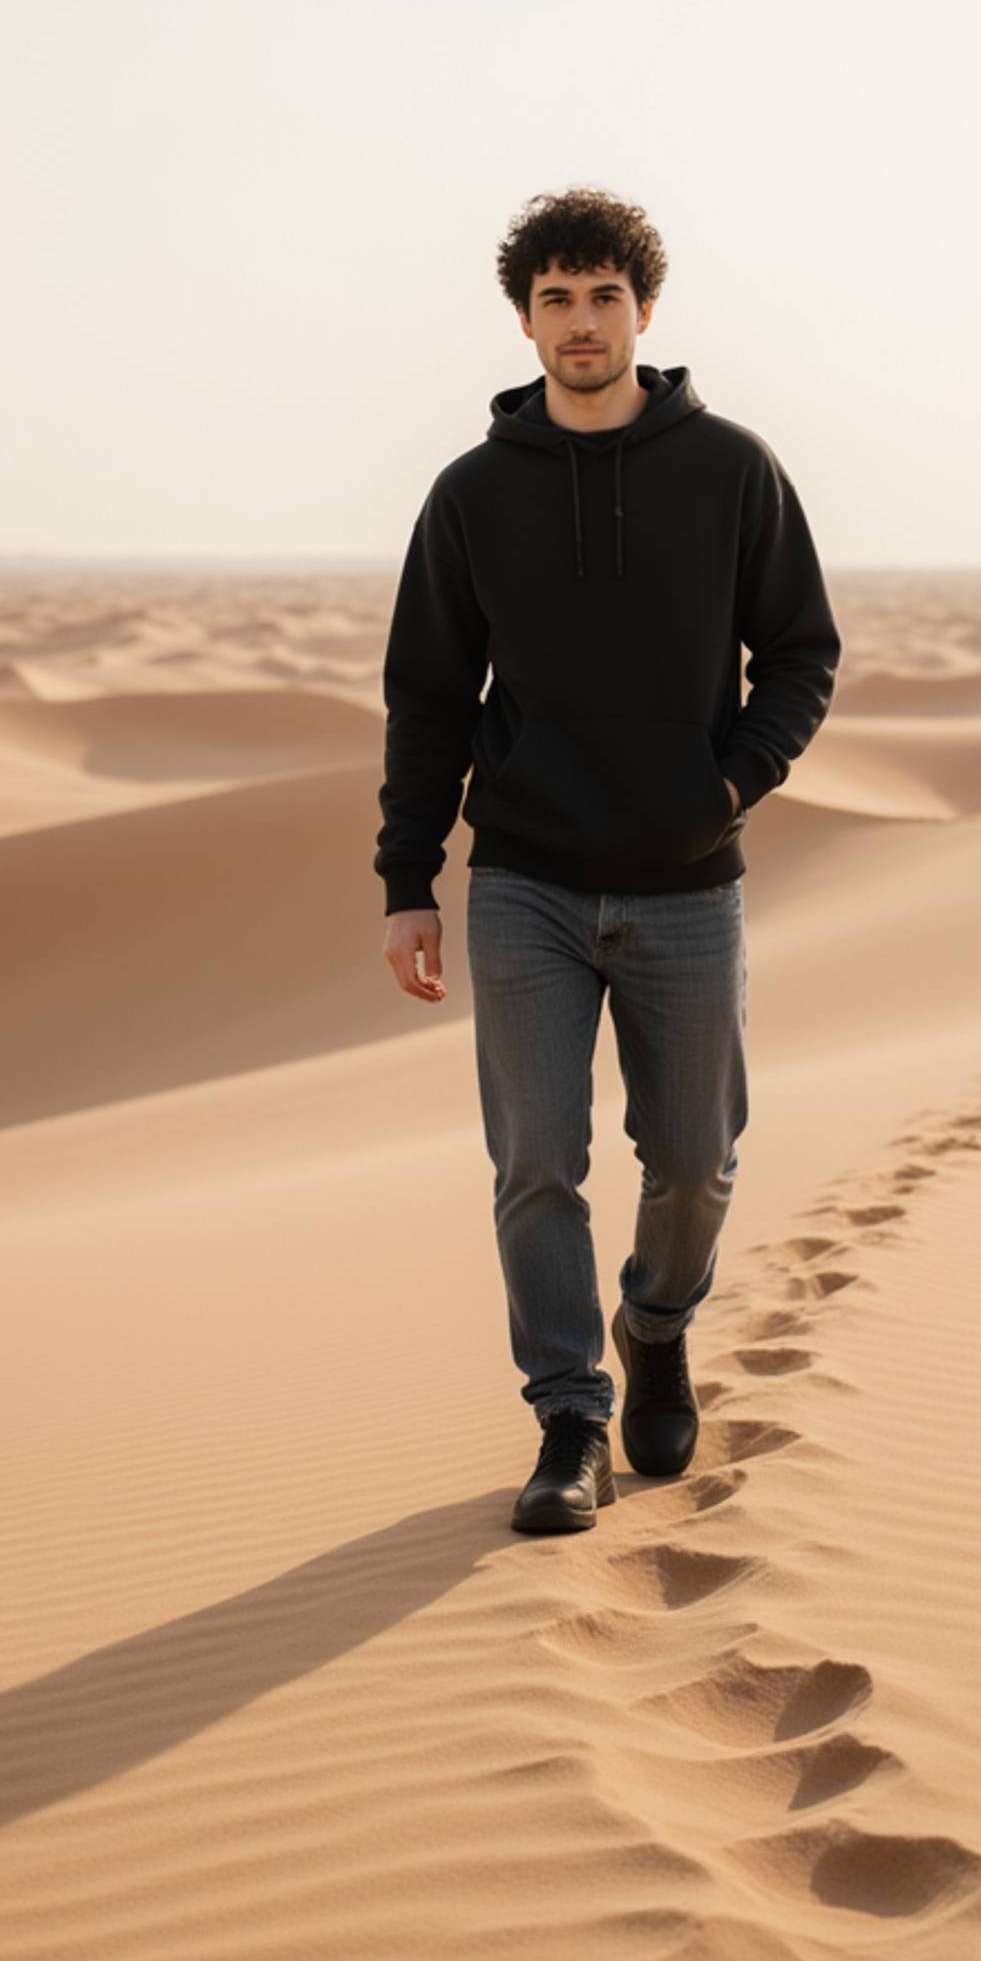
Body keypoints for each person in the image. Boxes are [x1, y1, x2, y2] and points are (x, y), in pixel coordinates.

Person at [375, 186, 841, 1534]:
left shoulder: (731, 470)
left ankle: (657, 1325)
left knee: (695, 1160)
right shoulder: (470, 498)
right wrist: (409, 879)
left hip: (689, 880)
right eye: (557, 299)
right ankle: (570, 1416)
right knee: (536, 1163)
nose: (582, 322)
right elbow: (427, 697)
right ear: (524, 320)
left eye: (604, 296)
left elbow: (802, 651)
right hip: (523, 876)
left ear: (645, 308)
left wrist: (729, 778)